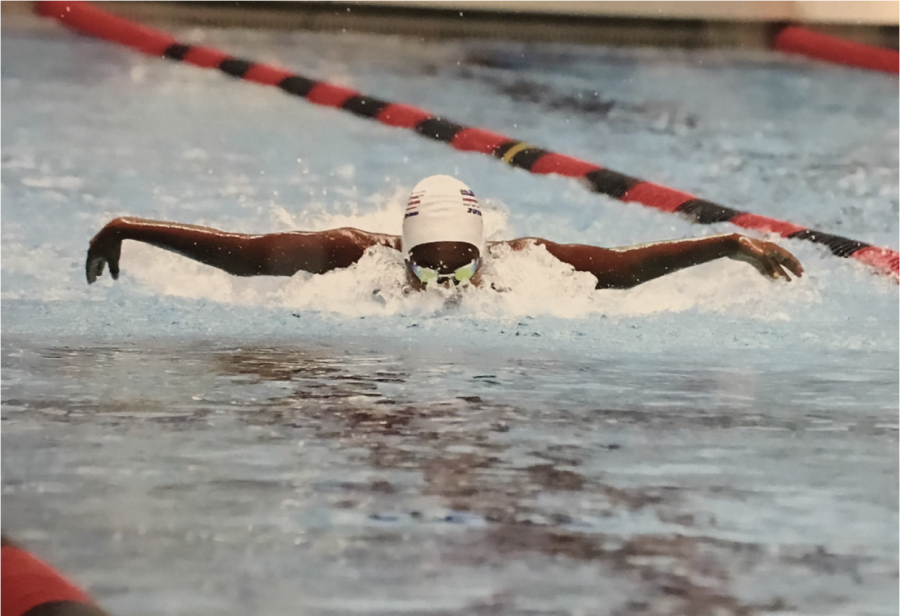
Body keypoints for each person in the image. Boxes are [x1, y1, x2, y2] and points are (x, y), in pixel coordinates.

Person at [86, 175, 803, 291]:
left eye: (458, 265)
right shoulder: (353, 255)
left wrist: (729, 243)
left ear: (484, 249)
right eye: (426, 266)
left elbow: (621, 268)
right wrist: (132, 228)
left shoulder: (528, 264)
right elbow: (245, 259)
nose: (443, 284)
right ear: (399, 248)